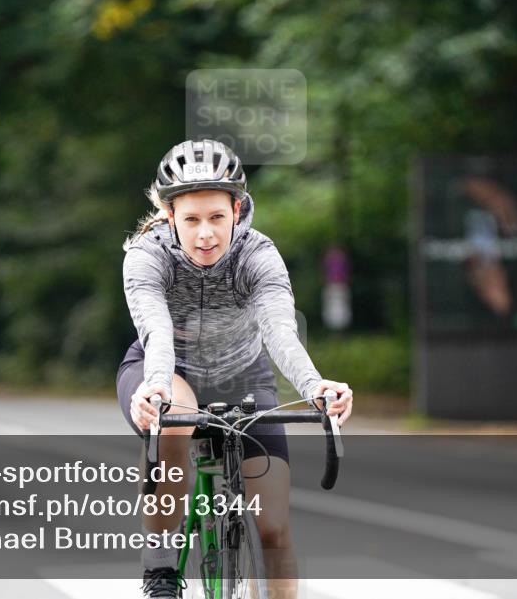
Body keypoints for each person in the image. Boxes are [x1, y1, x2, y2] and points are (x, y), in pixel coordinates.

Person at [118, 139, 353, 599]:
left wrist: (314, 386)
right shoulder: (147, 256)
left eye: (216, 218)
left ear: (237, 209)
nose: (205, 233)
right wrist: (158, 389)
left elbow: (280, 332)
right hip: (165, 373)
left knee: (275, 532)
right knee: (174, 421)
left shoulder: (257, 255)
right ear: (170, 216)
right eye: (191, 219)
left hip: (244, 378)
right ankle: (161, 565)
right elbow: (158, 333)